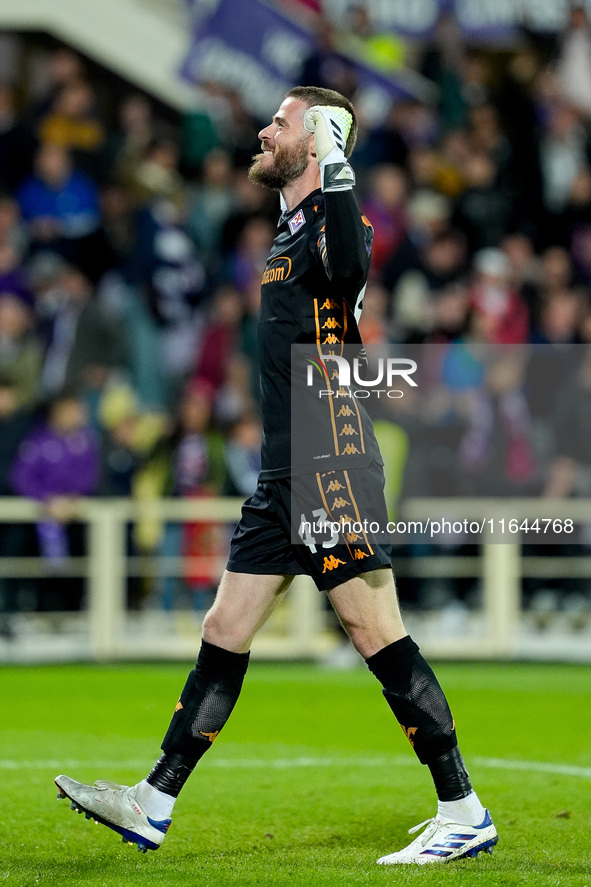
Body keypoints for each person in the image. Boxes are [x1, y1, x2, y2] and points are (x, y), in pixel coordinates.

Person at [54, 86, 498, 865]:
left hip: (329, 460)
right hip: (283, 468)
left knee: (373, 631)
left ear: (319, 136)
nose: (264, 129)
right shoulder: (290, 228)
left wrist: (333, 164)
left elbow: (356, 262)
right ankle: (151, 801)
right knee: (224, 627)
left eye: (281, 121)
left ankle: (462, 807)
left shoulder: (335, 217)